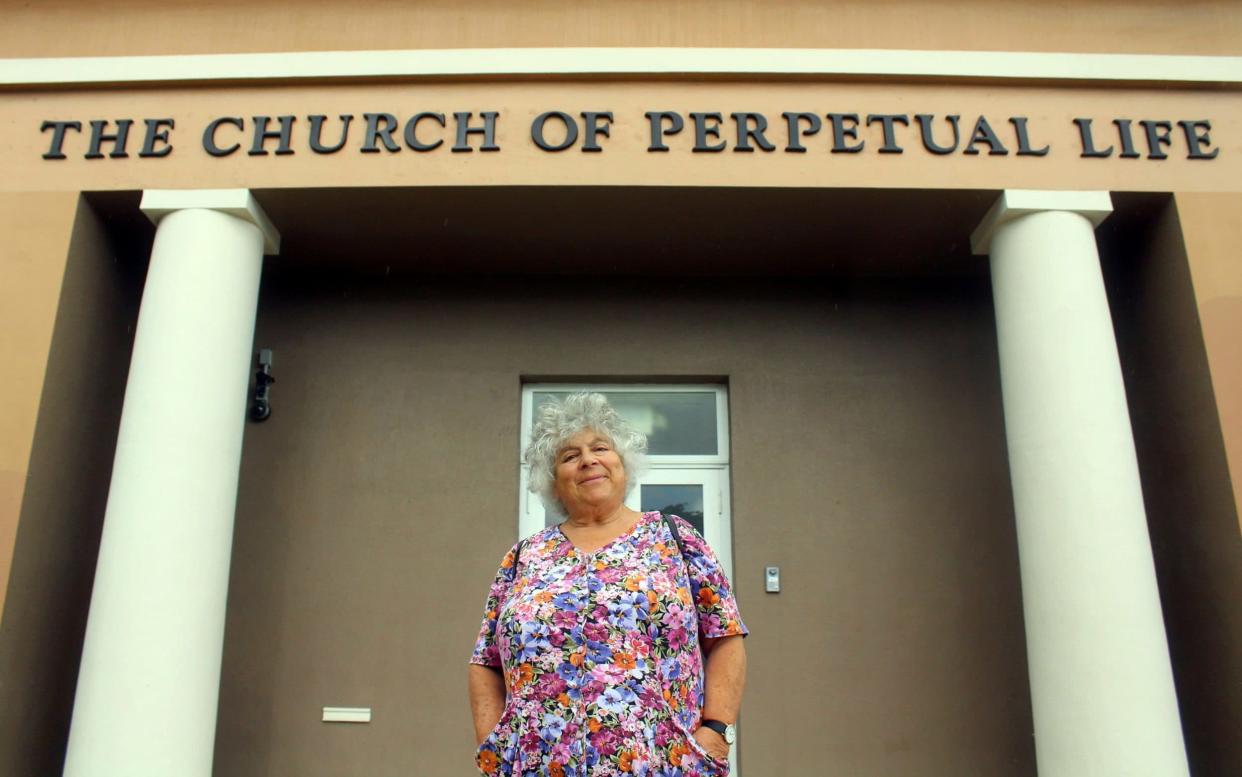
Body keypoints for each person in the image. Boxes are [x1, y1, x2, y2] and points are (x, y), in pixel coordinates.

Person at [468, 392, 748, 776]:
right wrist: (493, 747)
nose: (588, 460)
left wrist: (717, 732)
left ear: (623, 463)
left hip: (661, 764)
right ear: (552, 479)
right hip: (538, 766)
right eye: (570, 456)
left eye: (600, 447)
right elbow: (486, 661)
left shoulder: (675, 538)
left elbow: (725, 636)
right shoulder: (523, 557)